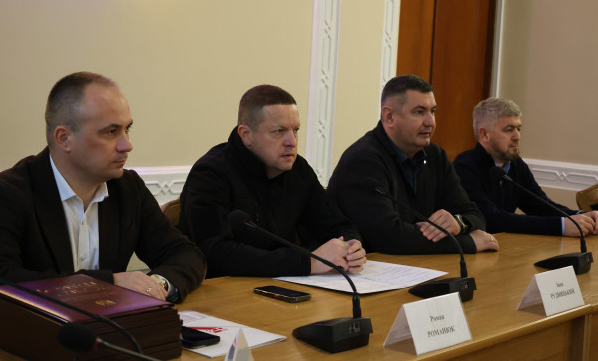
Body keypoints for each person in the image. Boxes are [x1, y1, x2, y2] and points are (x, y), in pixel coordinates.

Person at [0, 72, 206, 310]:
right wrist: (109, 284)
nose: (127, 145)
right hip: (31, 329)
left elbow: (186, 254)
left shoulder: (128, 188)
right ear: (64, 138)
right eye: (111, 132)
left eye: (127, 129)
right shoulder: (2, 195)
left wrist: (155, 285)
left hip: (111, 327)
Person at [178, 84, 366, 278]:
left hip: (283, 284)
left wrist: (351, 246)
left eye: (295, 130)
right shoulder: (210, 174)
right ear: (246, 135)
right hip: (224, 288)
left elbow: (336, 225)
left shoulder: (298, 170)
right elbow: (216, 254)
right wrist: (308, 262)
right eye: (279, 131)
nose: (292, 141)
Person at [327, 74, 499, 254]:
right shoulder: (362, 161)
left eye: (433, 111)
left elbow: (475, 215)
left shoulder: (435, 155)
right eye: (419, 112)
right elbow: (390, 237)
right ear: (389, 116)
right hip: (371, 266)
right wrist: (468, 243)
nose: (430, 122)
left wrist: (459, 223)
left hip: (421, 264)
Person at [453, 97, 598, 236]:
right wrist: (561, 226)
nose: (517, 136)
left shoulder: (516, 164)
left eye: (518, 129)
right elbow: (490, 218)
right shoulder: (465, 166)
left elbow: (541, 206)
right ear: (485, 134)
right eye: (509, 129)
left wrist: (581, 216)